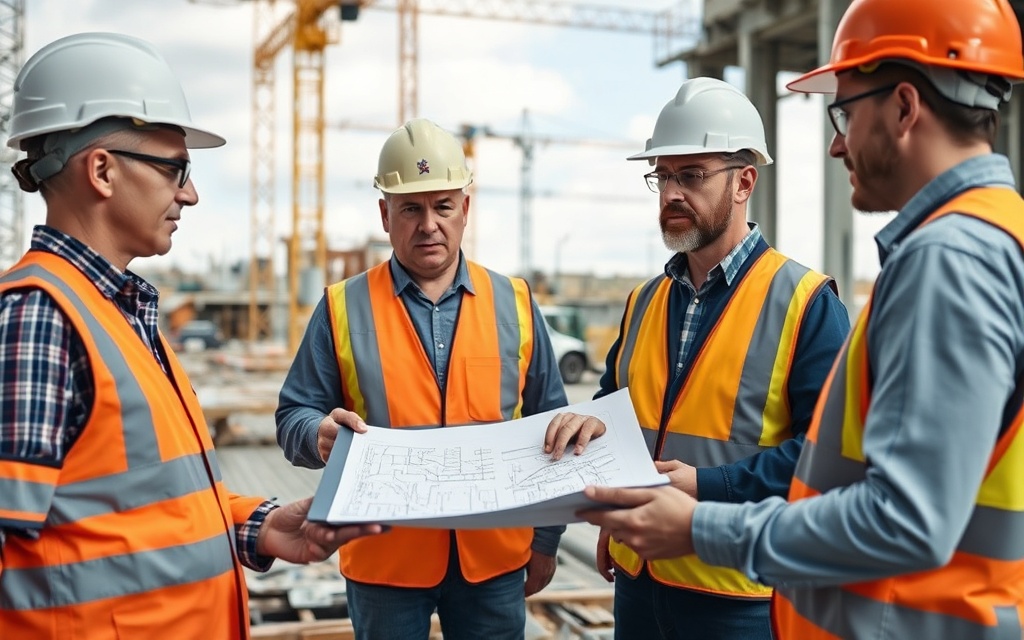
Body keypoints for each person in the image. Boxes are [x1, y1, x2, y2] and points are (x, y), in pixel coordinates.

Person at [579, 1, 1024, 638]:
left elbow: (905, 519)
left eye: (844, 112)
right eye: (664, 176)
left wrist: (698, 519)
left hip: (885, 613)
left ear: (903, 107)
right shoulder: (996, 235)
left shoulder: (945, 262)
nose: (835, 143)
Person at [0, 33, 382, 639]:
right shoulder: (40, 319)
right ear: (101, 170)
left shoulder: (117, 312)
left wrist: (262, 526)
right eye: (175, 168)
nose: (190, 193)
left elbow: (130, 514)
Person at [275, 117, 602, 640]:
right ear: (385, 215)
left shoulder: (513, 302)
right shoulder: (342, 307)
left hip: (492, 561)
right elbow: (293, 415)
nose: (429, 224)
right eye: (411, 208)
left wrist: (546, 541)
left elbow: (553, 430)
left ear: (465, 210)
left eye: (443, 206)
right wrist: (316, 434)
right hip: (386, 560)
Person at [552, 77, 850, 639]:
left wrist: (710, 486)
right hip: (638, 579)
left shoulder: (806, 303)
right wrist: (592, 440)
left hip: (738, 595)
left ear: (744, 183)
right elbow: (616, 413)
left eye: (692, 175)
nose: (671, 193)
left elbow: (830, 461)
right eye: (663, 176)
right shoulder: (644, 301)